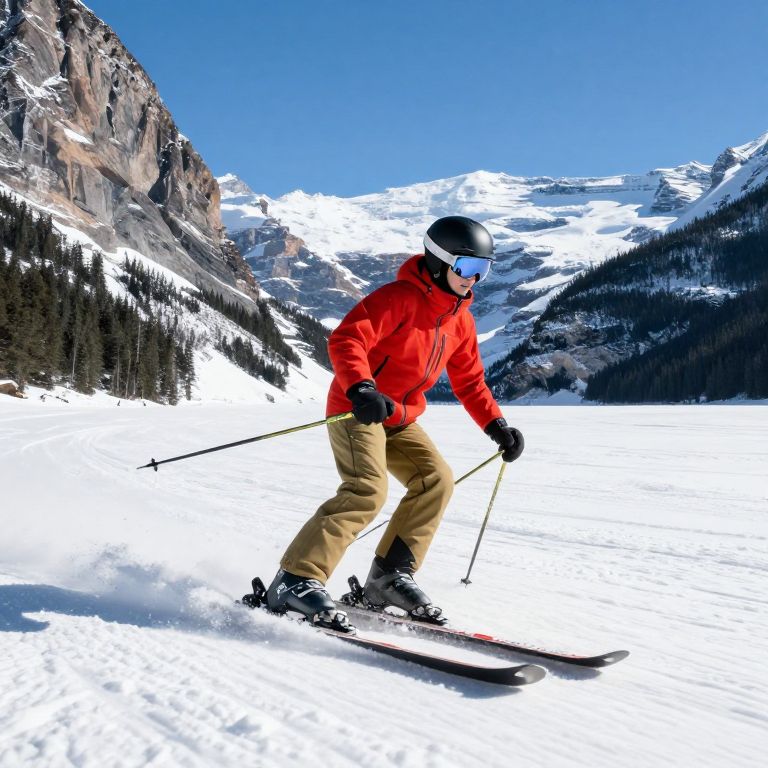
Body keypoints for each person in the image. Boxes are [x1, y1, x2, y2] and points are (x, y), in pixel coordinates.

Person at [265, 216, 524, 631]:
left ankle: (388, 578)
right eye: (466, 267)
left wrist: (497, 425)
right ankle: (295, 579)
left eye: (484, 269)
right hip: (357, 409)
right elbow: (347, 339)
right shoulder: (397, 299)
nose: (474, 278)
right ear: (439, 262)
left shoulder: (461, 320)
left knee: (436, 479)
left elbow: (470, 381)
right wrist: (362, 388)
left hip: (400, 417)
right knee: (367, 489)